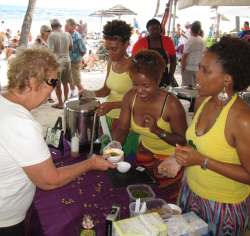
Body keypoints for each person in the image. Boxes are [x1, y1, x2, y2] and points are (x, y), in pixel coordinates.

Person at [0, 46, 116, 236]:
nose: (55, 88)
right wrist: (92, 163)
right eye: (53, 81)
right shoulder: (21, 124)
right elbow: (49, 180)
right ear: (32, 82)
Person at [166, 37, 250, 235]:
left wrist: (202, 161)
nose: (198, 75)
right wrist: (179, 158)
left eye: (206, 71)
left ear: (228, 79)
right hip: (190, 193)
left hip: (223, 206)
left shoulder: (242, 119)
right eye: (200, 68)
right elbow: (196, 142)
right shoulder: (202, 101)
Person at [105, 49, 187, 202]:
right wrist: (116, 143)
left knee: (163, 200)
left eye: (146, 85)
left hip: (169, 158)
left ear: (157, 80)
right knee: (143, 194)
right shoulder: (130, 97)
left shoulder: (172, 104)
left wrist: (158, 131)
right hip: (144, 152)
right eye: (135, 84)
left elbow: (182, 140)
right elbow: (122, 128)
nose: (140, 90)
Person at [79, 20, 139, 163]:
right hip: (108, 118)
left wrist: (111, 105)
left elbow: (139, 100)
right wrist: (92, 93)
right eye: (107, 48)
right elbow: (106, 89)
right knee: (108, 158)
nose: (109, 53)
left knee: (123, 160)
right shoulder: (112, 62)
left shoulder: (133, 66)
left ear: (126, 44)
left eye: (114, 49)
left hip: (126, 121)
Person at [132, 19, 176, 87]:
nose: (155, 31)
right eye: (152, 29)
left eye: (157, 28)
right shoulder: (140, 43)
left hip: (164, 77)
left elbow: (173, 60)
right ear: (148, 29)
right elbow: (133, 61)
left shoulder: (168, 41)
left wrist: (170, 77)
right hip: (145, 78)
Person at [49, 19, 73, 109]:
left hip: (57, 62)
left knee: (58, 84)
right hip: (67, 60)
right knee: (65, 83)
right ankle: (65, 101)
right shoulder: (67, 34)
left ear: (52, 27)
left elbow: (50, 50)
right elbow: (71, 48)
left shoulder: (52, 36)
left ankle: (60, 103)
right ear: (61, 26)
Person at [181, 21, 206, 87]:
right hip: (197, 68)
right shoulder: (203, 41)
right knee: (195, 87)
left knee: (187, 88)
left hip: (188, 68)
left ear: (191, 30)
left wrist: (182, 67)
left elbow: (184, 57)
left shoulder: (189, 42)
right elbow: (203, 52)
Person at [65, 19, 86, 99]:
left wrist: (79, 57)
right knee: (71, 78)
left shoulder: (77, 37)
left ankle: (85, 96)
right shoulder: (68, 35)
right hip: (69, 60)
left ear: (72, 26)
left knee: (77, 80)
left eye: (67, 25)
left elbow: (83, 50)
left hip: (75, 61)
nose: (66, 26)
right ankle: (73, 93)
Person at [34, 25, 54, 103]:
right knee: (41, 80)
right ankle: (41, 96)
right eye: (48, 31)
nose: (50, 32)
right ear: (43, 32)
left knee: (50, 80)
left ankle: (49, 96)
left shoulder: (51, 40)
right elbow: (34, 51)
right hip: (41, 63)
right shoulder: (38, 41)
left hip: (49, 62)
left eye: (50, 31)